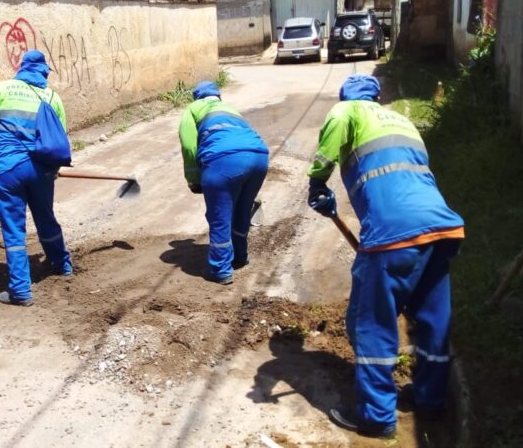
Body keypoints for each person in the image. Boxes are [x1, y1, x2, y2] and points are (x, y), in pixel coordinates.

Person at [307, 74, 465, 438]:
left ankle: (376, 417)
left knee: (372, 322)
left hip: (392, 234)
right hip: (440, 227)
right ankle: (430, 400)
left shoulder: (346, 110)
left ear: (345, 96)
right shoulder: (402, 120)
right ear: (377, 96)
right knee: (431, 320)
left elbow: (325, 155)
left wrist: (317, 183)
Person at [0, 50, 72, 307]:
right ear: (43, 71)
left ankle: (20, 290)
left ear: (22, 68)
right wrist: (54, 169)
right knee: (45, 218)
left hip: (8, 170)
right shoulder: (52, 97)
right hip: (41, 171)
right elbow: (61, 137)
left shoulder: (2, 89)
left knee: (14, 229)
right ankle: (62, 265)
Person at [178, 81, 269, 284]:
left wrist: (194, 179)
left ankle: (220, 270)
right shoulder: (230, 108)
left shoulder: (193, 109)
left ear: (197, 97)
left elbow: (189, 146)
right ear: (218, 96)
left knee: (220, 215)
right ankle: (240, 257)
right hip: (259, 156)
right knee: (242, 210)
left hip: (223, 160)